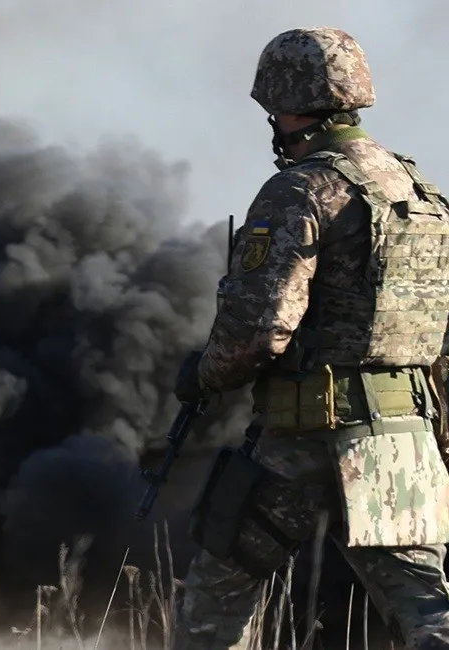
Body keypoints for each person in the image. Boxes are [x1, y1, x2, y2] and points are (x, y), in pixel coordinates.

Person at [171, 26, 449, 649]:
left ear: (286, 101)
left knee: (217, 600)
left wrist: (204, 374)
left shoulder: (300, 189)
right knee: (428, 610)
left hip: (301, 442)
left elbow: (258, 330)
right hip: (401, 441)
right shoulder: (421, 194)